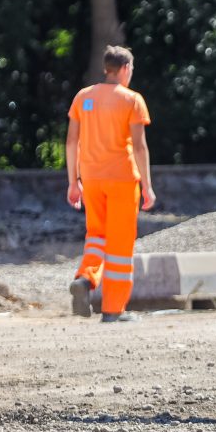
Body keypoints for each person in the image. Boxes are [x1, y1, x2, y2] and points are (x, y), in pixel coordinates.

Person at [65, 45, 156, 322]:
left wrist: (73, 182)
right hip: (122, 179)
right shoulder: (132, 99)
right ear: (125, 69)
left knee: (96, 236)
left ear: (107, 69)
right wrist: (148, 186)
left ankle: (85, 278)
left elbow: (71, 142)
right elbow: (139, 148)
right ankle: (114, 309)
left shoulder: (83, 97)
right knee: (119, 243)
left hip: (91, 178)